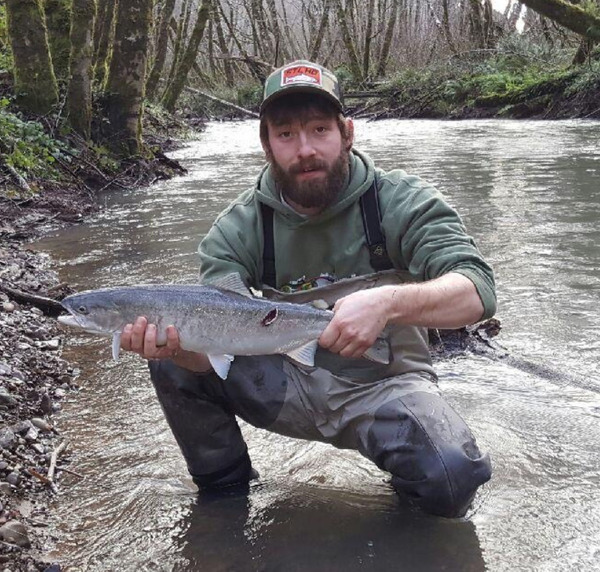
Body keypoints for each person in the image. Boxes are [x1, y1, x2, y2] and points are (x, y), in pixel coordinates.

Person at [120, 60, 495, 518]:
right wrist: (175, 349)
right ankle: (224, 506)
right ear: (266, 145)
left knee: (453, 475)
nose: (305, 150)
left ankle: (409, 509)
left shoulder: (404, 202)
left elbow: (476, 291)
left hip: (386, 386)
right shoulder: (236, 230)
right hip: (283, 385)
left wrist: (387, 302)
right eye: (286, 135)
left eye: (319, 129)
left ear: (347, 133)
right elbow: (209, 352)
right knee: (173, 360)